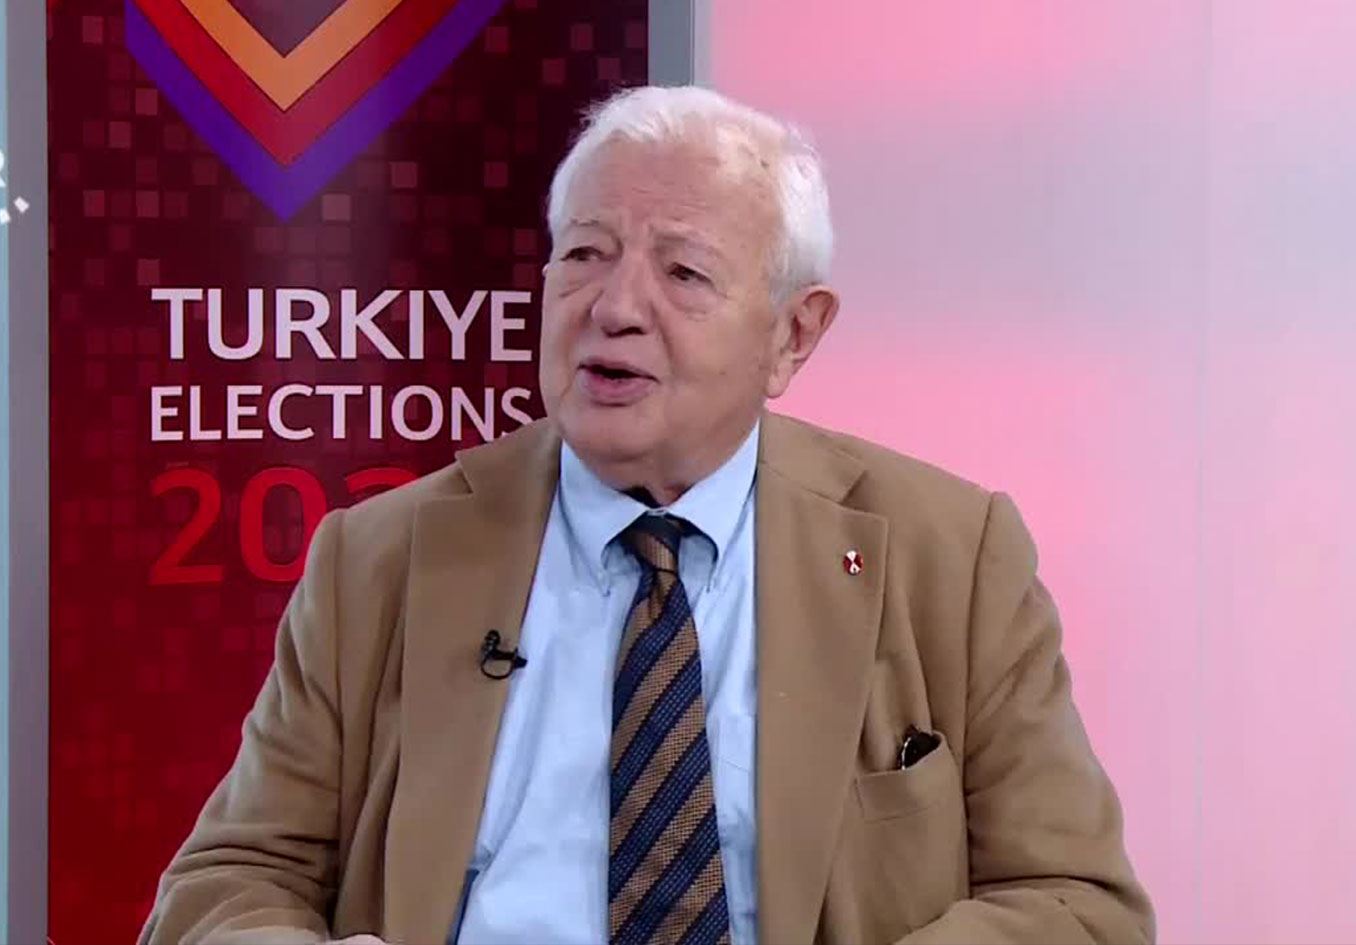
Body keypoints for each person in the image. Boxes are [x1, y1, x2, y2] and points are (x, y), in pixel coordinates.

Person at [140, 85, 1153, 945]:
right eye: (585, 255)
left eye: (683, 272)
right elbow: (224, 887)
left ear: (793, 336)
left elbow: (1077, 904)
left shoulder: (951, 559)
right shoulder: (380, 559)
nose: (614, 307)